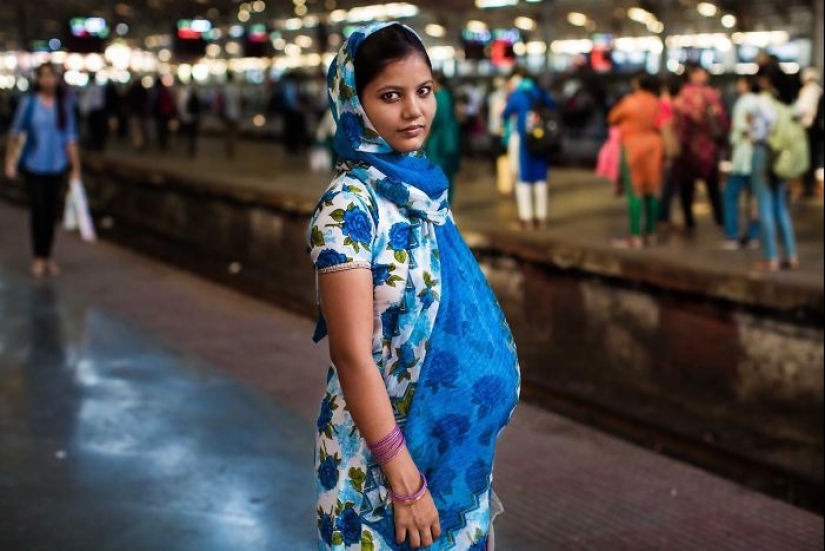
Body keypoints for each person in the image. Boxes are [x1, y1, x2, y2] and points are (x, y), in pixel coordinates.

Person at [307, 23, 520, 550]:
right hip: (380, 465)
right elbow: (352, 354)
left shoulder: (420, 189)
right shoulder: (349, 207)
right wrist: (403, 480)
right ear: (354, 103)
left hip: (445, 455)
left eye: (423, 92)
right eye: (390, 96)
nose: (413, 112)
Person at [4, 64, 81, 279]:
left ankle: (47, 255)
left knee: (50, 212)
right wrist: (9, 161)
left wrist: (76, 168)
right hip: (34, 165)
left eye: (52, 76)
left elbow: (71, 138)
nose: (48, 81)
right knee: (38, 210)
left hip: (57, 166)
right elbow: (16, 134)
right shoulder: (29, 104)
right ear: (38, 80)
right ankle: (38, 256)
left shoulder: (63, 106)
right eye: (44, 76)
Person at [607, 74, 665, 249]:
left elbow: (612, 118)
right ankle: (650, 232)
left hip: (633, 146)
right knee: (652, 189)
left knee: (635, 191)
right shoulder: (657, 102)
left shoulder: (630, 101)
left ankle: (634, 236)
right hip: (655, 145)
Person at [671, 63, 728, 231]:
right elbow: (722, 120)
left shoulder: (682, 95)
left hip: (687, 147)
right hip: (707, 148)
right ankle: (720, 220)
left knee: (686, 187)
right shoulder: (710, 95)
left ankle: (689, 221)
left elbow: (677, 121)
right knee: (712, 186)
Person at [752, 68, 799, 272]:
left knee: (765, 205)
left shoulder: (763, 101)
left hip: (764, 153)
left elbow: (758, 132)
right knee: (780, 207)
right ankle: (791, 255)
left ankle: (771, 257)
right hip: (782, 157)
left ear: (766, 81)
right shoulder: (787, 105)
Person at [503, 69, 556, 230]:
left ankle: (525, 219)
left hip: (524, 142)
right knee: (540, 179)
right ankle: (541, 219)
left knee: (523, 179)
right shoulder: (542, 93)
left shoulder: (518, 95)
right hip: (542, 141)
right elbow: (553, 107)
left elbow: (505, 113)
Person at [720, 75, 762, 250]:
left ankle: (732, 235)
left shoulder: (743, 103)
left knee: (730, 196)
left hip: (743, 157)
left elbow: (740, 128)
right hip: (758, 155)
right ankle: (754, 235)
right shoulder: (762, 102)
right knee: (755, 198)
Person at [424, 73, 461, 204]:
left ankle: (442, 201)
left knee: (439, 170)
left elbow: (436, 118)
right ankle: (447, 200)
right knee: (448, 172)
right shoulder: (447, 95)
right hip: (449, 138)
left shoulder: (440, 96)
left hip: (440, 140)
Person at [794, 68, 824, 198]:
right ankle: (809, 186)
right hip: (816, 131)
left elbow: (800, 110)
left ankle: (808, 186)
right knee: (812, 159)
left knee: (807, 160)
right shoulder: (818, 90)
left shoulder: (808, 91)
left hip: (808, 130)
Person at [176, 81, 201, 159]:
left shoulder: (186, 95)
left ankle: (190, 147)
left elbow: (182, 107)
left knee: (190, 134)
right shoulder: (194, 97)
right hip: (193, 118)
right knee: (192, 135)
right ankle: (191, 147)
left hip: (189, 118)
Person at [221, 72, 243, 160]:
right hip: (236, 114)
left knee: (227, 133)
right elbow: (240, 102)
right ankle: (232, 152)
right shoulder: (236, 88)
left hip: (227, 113)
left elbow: (222, 102)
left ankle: (228, 152)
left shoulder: (225, 88)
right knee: (233, 134)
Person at [152, 78, 175, 152]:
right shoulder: (165, 90)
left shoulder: (158, 91)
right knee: (164, 127)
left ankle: (162, 142)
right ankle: (164, 142)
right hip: (166, 112)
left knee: (160, 128)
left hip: (161, 112)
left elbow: (156, 102)